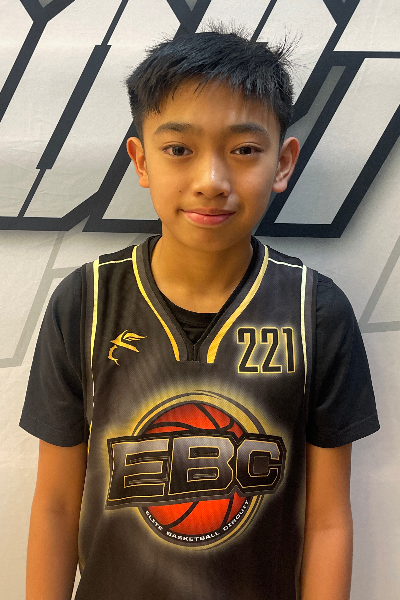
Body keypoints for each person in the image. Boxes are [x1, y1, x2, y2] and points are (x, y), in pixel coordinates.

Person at [20, 29, 379, 600]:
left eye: (244, 150)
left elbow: (328, 521)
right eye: (180, 149)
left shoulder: (316, 311)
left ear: (283, 162)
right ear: (141, 160)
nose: (211, 182)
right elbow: (57, 507)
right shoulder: (85, 302)